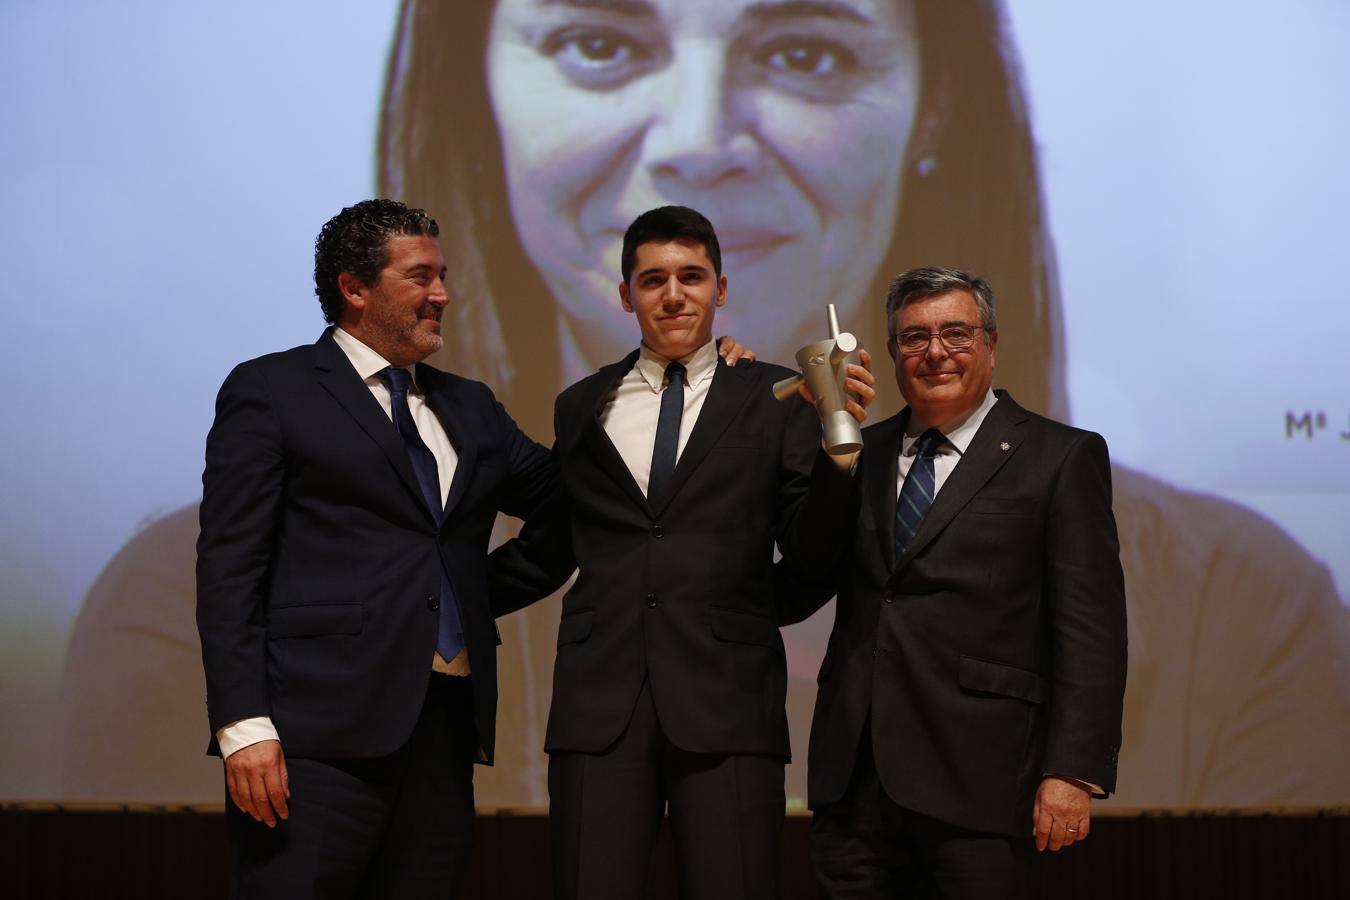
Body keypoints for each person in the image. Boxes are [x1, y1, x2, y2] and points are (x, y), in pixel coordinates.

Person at [61, 0, 1350, 814]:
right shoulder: (199, 602)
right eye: (597, 42)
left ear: (934, 101)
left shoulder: (1239, 609)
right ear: (479, 94)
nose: (695, 139)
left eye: (801, 49)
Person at [487, 205, 874, 898]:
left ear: (721, 288)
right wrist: (440, 596)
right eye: (653, 279)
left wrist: (838, 459)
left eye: (691, 277)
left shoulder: (777, 395)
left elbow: (811, 554)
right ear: (627, 294)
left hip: (729, 698)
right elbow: (556, 547)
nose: (673, 295)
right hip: (597, 703)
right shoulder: (580, 405)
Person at [194, 199, 559, 897]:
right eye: (420, 277)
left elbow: (569, 503)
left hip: (443, 738)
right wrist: (243, 725)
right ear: (354, 288)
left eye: (443, 275)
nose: (443, 295)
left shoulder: (471, 405)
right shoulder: (273, 390)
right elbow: (229, 569)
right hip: (311, 744)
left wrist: (688, 380)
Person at [778, 267, 1127, 898]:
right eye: (914, 338)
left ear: (991, 345)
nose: (935, 351)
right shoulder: (860, 450)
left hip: (985, 783)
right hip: (854, 783)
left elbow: (1091, 628)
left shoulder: (1060, 456)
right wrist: (833, 449)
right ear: (889, 354)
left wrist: (1073, 771)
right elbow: (803, 575)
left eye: (956, 334)